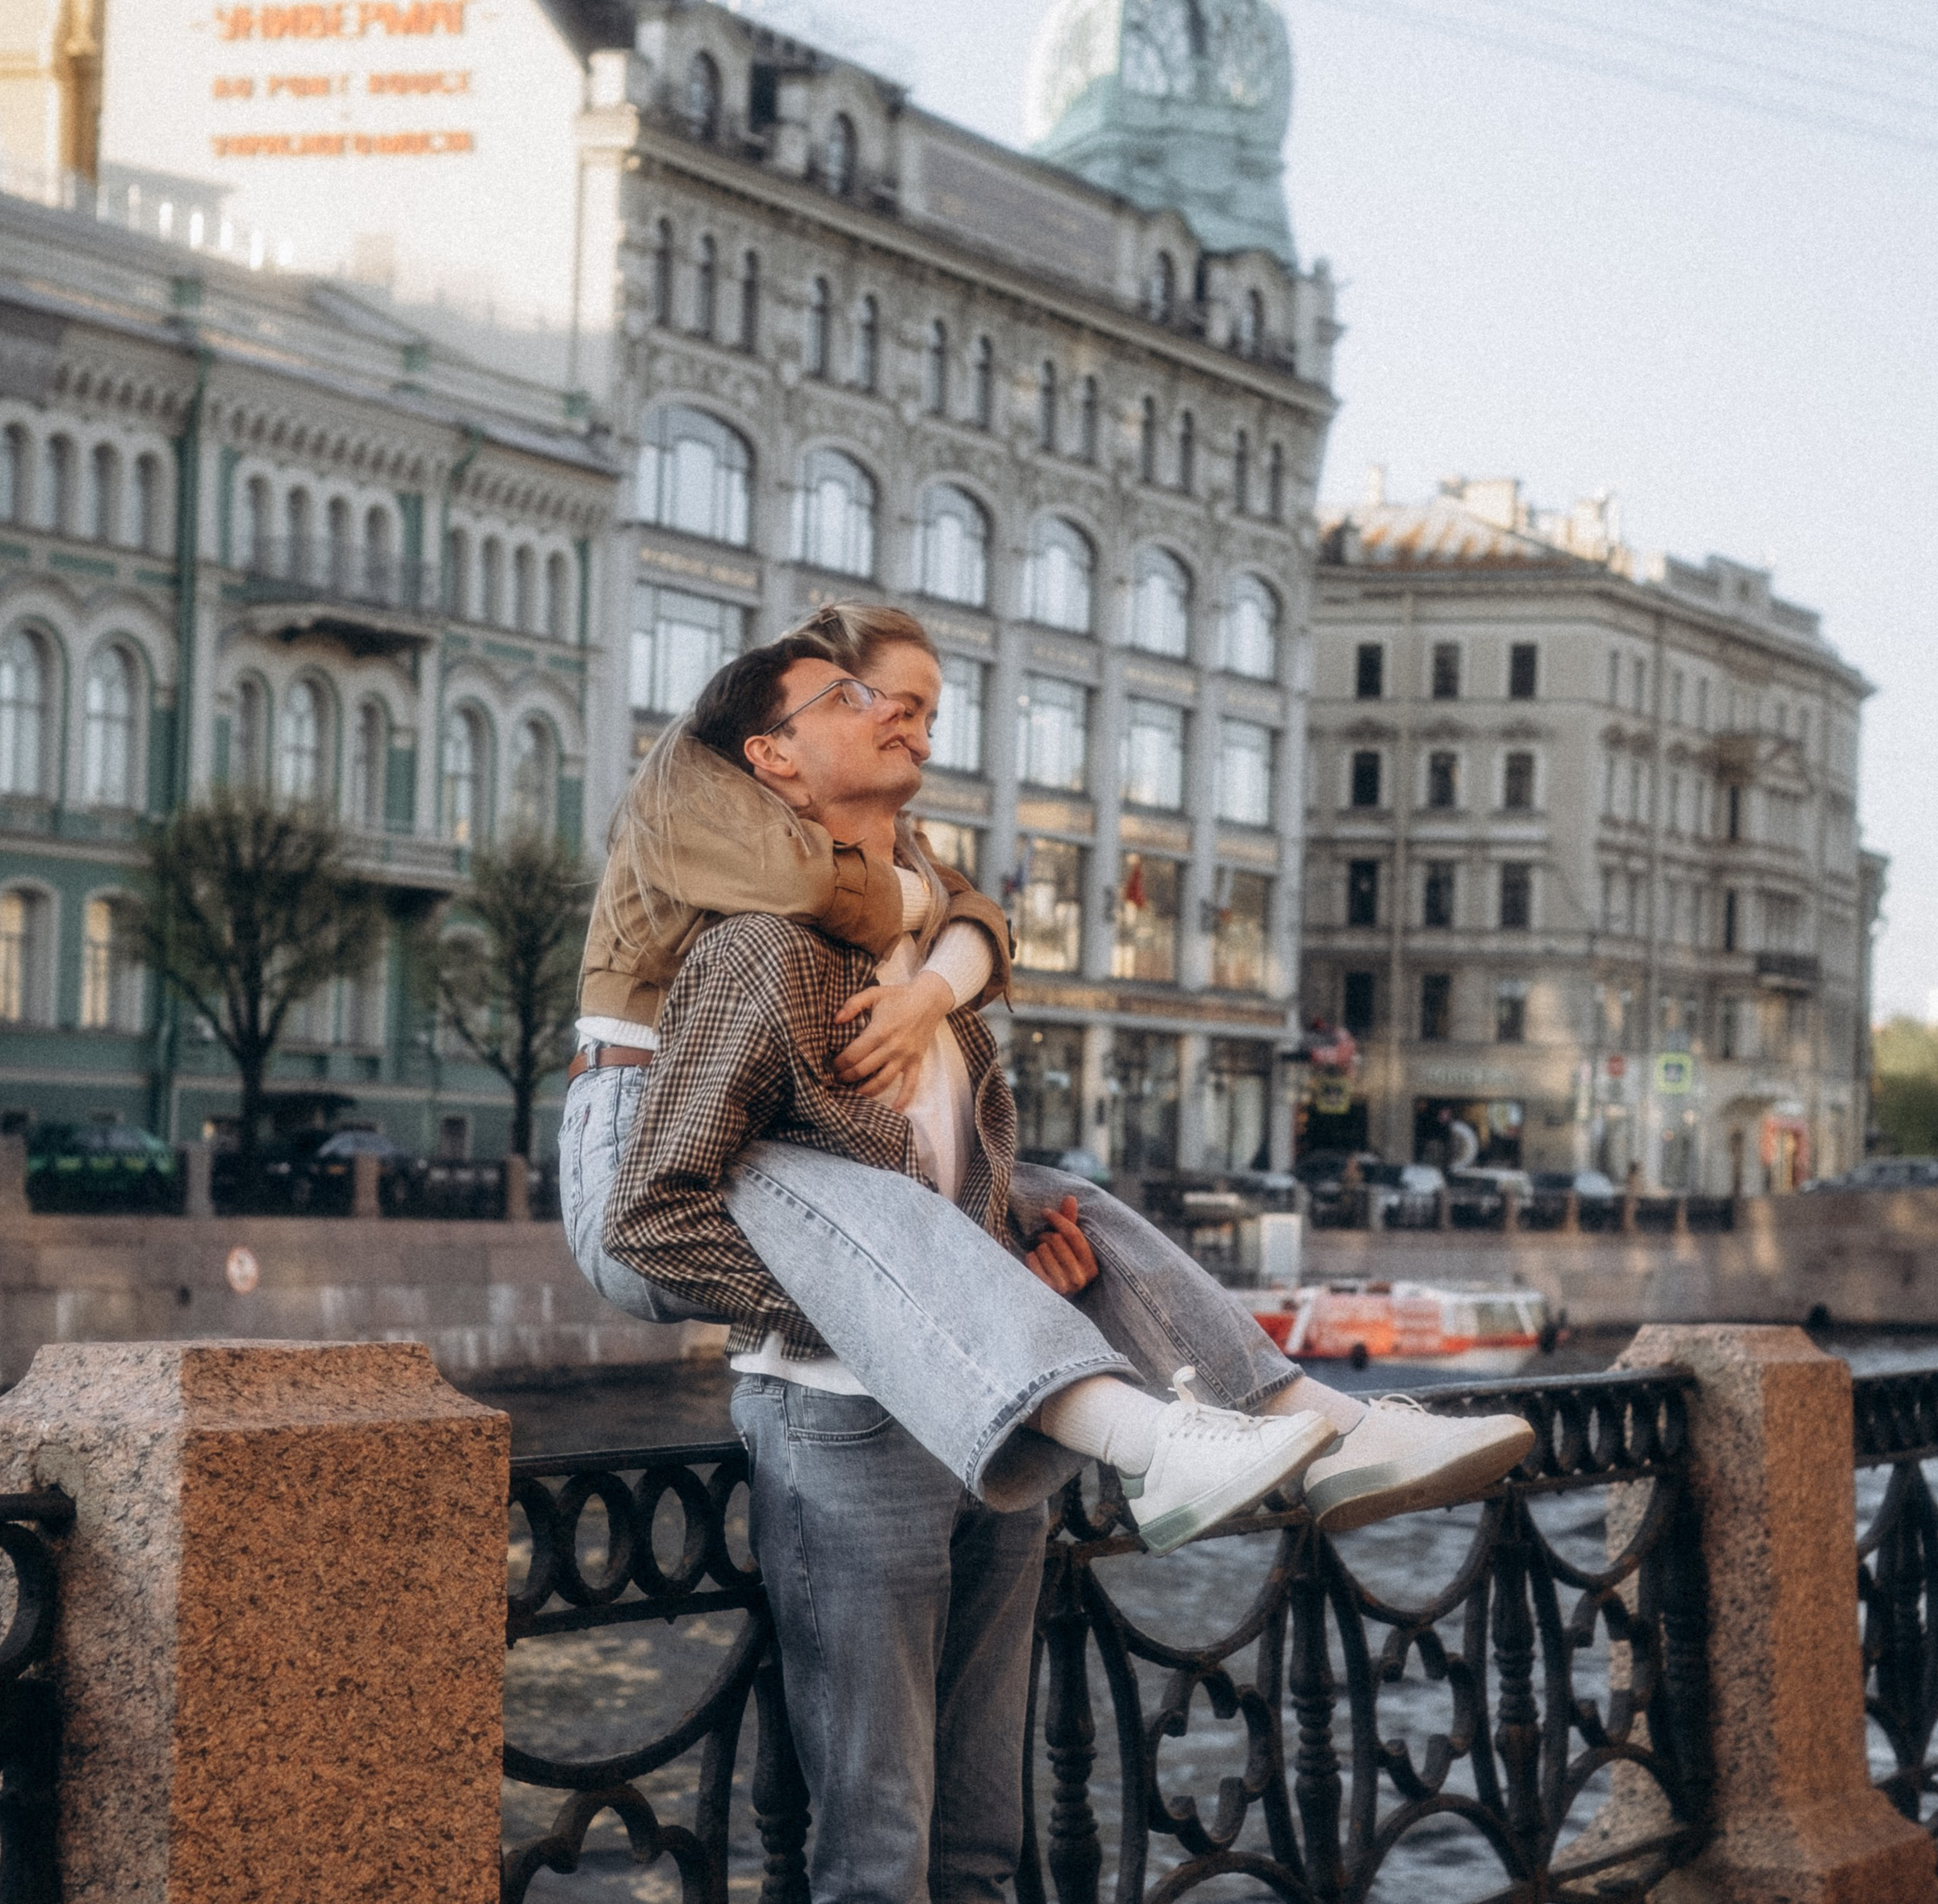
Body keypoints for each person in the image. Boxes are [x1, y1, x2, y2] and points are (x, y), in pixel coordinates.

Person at [601, 635, 1240, 1904]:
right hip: (846, 1437)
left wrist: (1003, 1247)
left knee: (973, 1856)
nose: (891, 713)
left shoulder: (918, 950)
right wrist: (846, 1317)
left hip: (993, 1440)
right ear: (771, 768)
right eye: (843, 704)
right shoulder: (756, 954)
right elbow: (657, 1219)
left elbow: (946, 1207)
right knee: (873, 1869)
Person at [562, 603, 1533, 1540]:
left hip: (777, 1156)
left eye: (928, 715)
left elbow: (985, 923)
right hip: (639, 1127)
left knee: (1081, 1214)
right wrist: (929, 913)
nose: (913, 728)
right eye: (878, 700)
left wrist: (932, 986)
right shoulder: (697, 802)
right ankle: (1146, 1443)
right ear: (787, 734)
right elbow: (822, 896)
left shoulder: (875, 843)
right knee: (880, 1223)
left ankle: (1327, 1428)